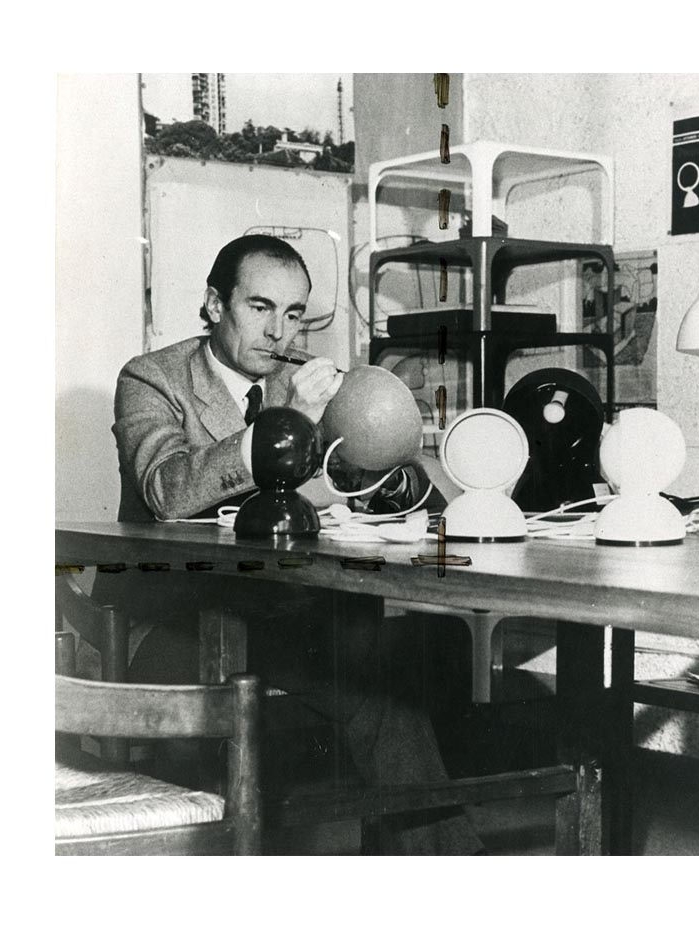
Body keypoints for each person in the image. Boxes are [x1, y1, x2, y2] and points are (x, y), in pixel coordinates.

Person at [96, 234, 484, 855]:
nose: (279, 332)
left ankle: (439, 861)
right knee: (379, 691)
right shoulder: (152, 378)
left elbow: (378, 478)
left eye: (294, 313)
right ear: (215, 304)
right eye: (260, 307)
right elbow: (167, 490)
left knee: (406, 671)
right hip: (173, 622)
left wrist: (387, 468)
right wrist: (287, 422)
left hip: (278, 612)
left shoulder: (296, 380)